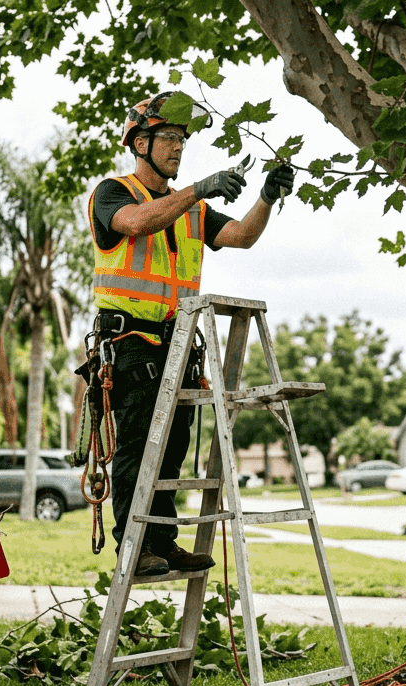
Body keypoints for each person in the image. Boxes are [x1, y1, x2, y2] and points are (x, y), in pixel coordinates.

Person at [86, 91, 295, 577]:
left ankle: (161, 539)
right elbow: (138, 223)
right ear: (140, 142)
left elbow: (241, 236)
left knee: (174, 445)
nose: (178, 147)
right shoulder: (114, 193)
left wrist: (267, 196)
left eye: (182, 139)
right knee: (139, 445)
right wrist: (199, 188)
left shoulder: (192, 211)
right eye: (169, 138)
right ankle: (134, 548)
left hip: (178, 344)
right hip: (129, 344)